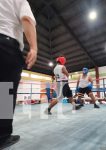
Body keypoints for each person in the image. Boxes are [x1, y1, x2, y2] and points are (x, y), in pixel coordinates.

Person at [0, 0, 37, 149]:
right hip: (6, 45)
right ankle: (2, 137)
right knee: (5, 94)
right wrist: (33, 47)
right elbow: (27, 19)